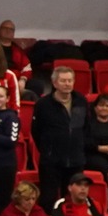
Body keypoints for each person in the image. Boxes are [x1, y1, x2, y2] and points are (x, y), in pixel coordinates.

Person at [33, 64, 86, 203]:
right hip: (51, 162)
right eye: (63, 81)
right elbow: (36, 131)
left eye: (70, 80)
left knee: (72, 200)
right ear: (54, 83)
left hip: (76, 160)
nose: (67, 84)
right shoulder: (43, 104)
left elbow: (86, 128)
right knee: (48, 199)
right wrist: (47, 150)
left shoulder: (81, 101)